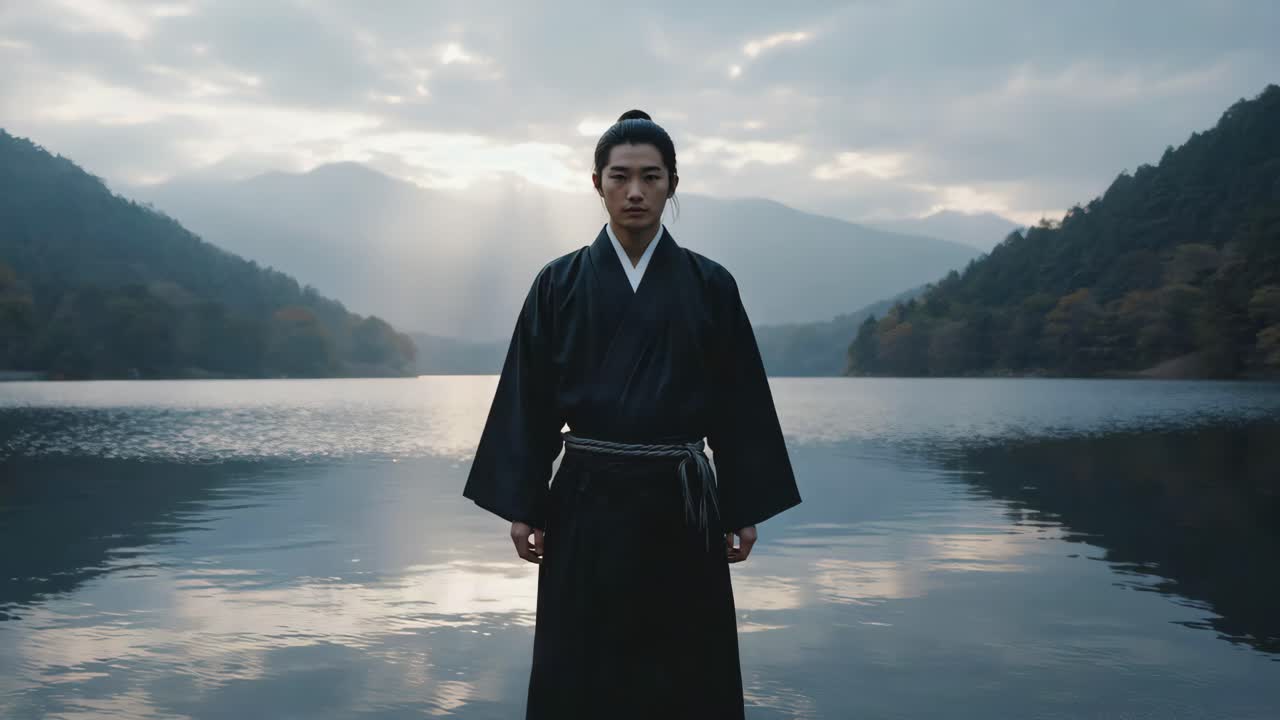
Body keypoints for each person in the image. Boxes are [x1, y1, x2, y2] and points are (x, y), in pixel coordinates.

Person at [462, 109, 802, 719]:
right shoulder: (558, 283)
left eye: (651, 176)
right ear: (597, 183)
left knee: (687, 661)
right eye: (620, 176)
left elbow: (739, 398)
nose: (636, 191)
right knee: (582, 660)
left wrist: (743, 506)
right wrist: (525, 504)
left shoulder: (709, 285)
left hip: (682, 502)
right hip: (587, 501)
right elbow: (528, 396)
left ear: (674, 182)